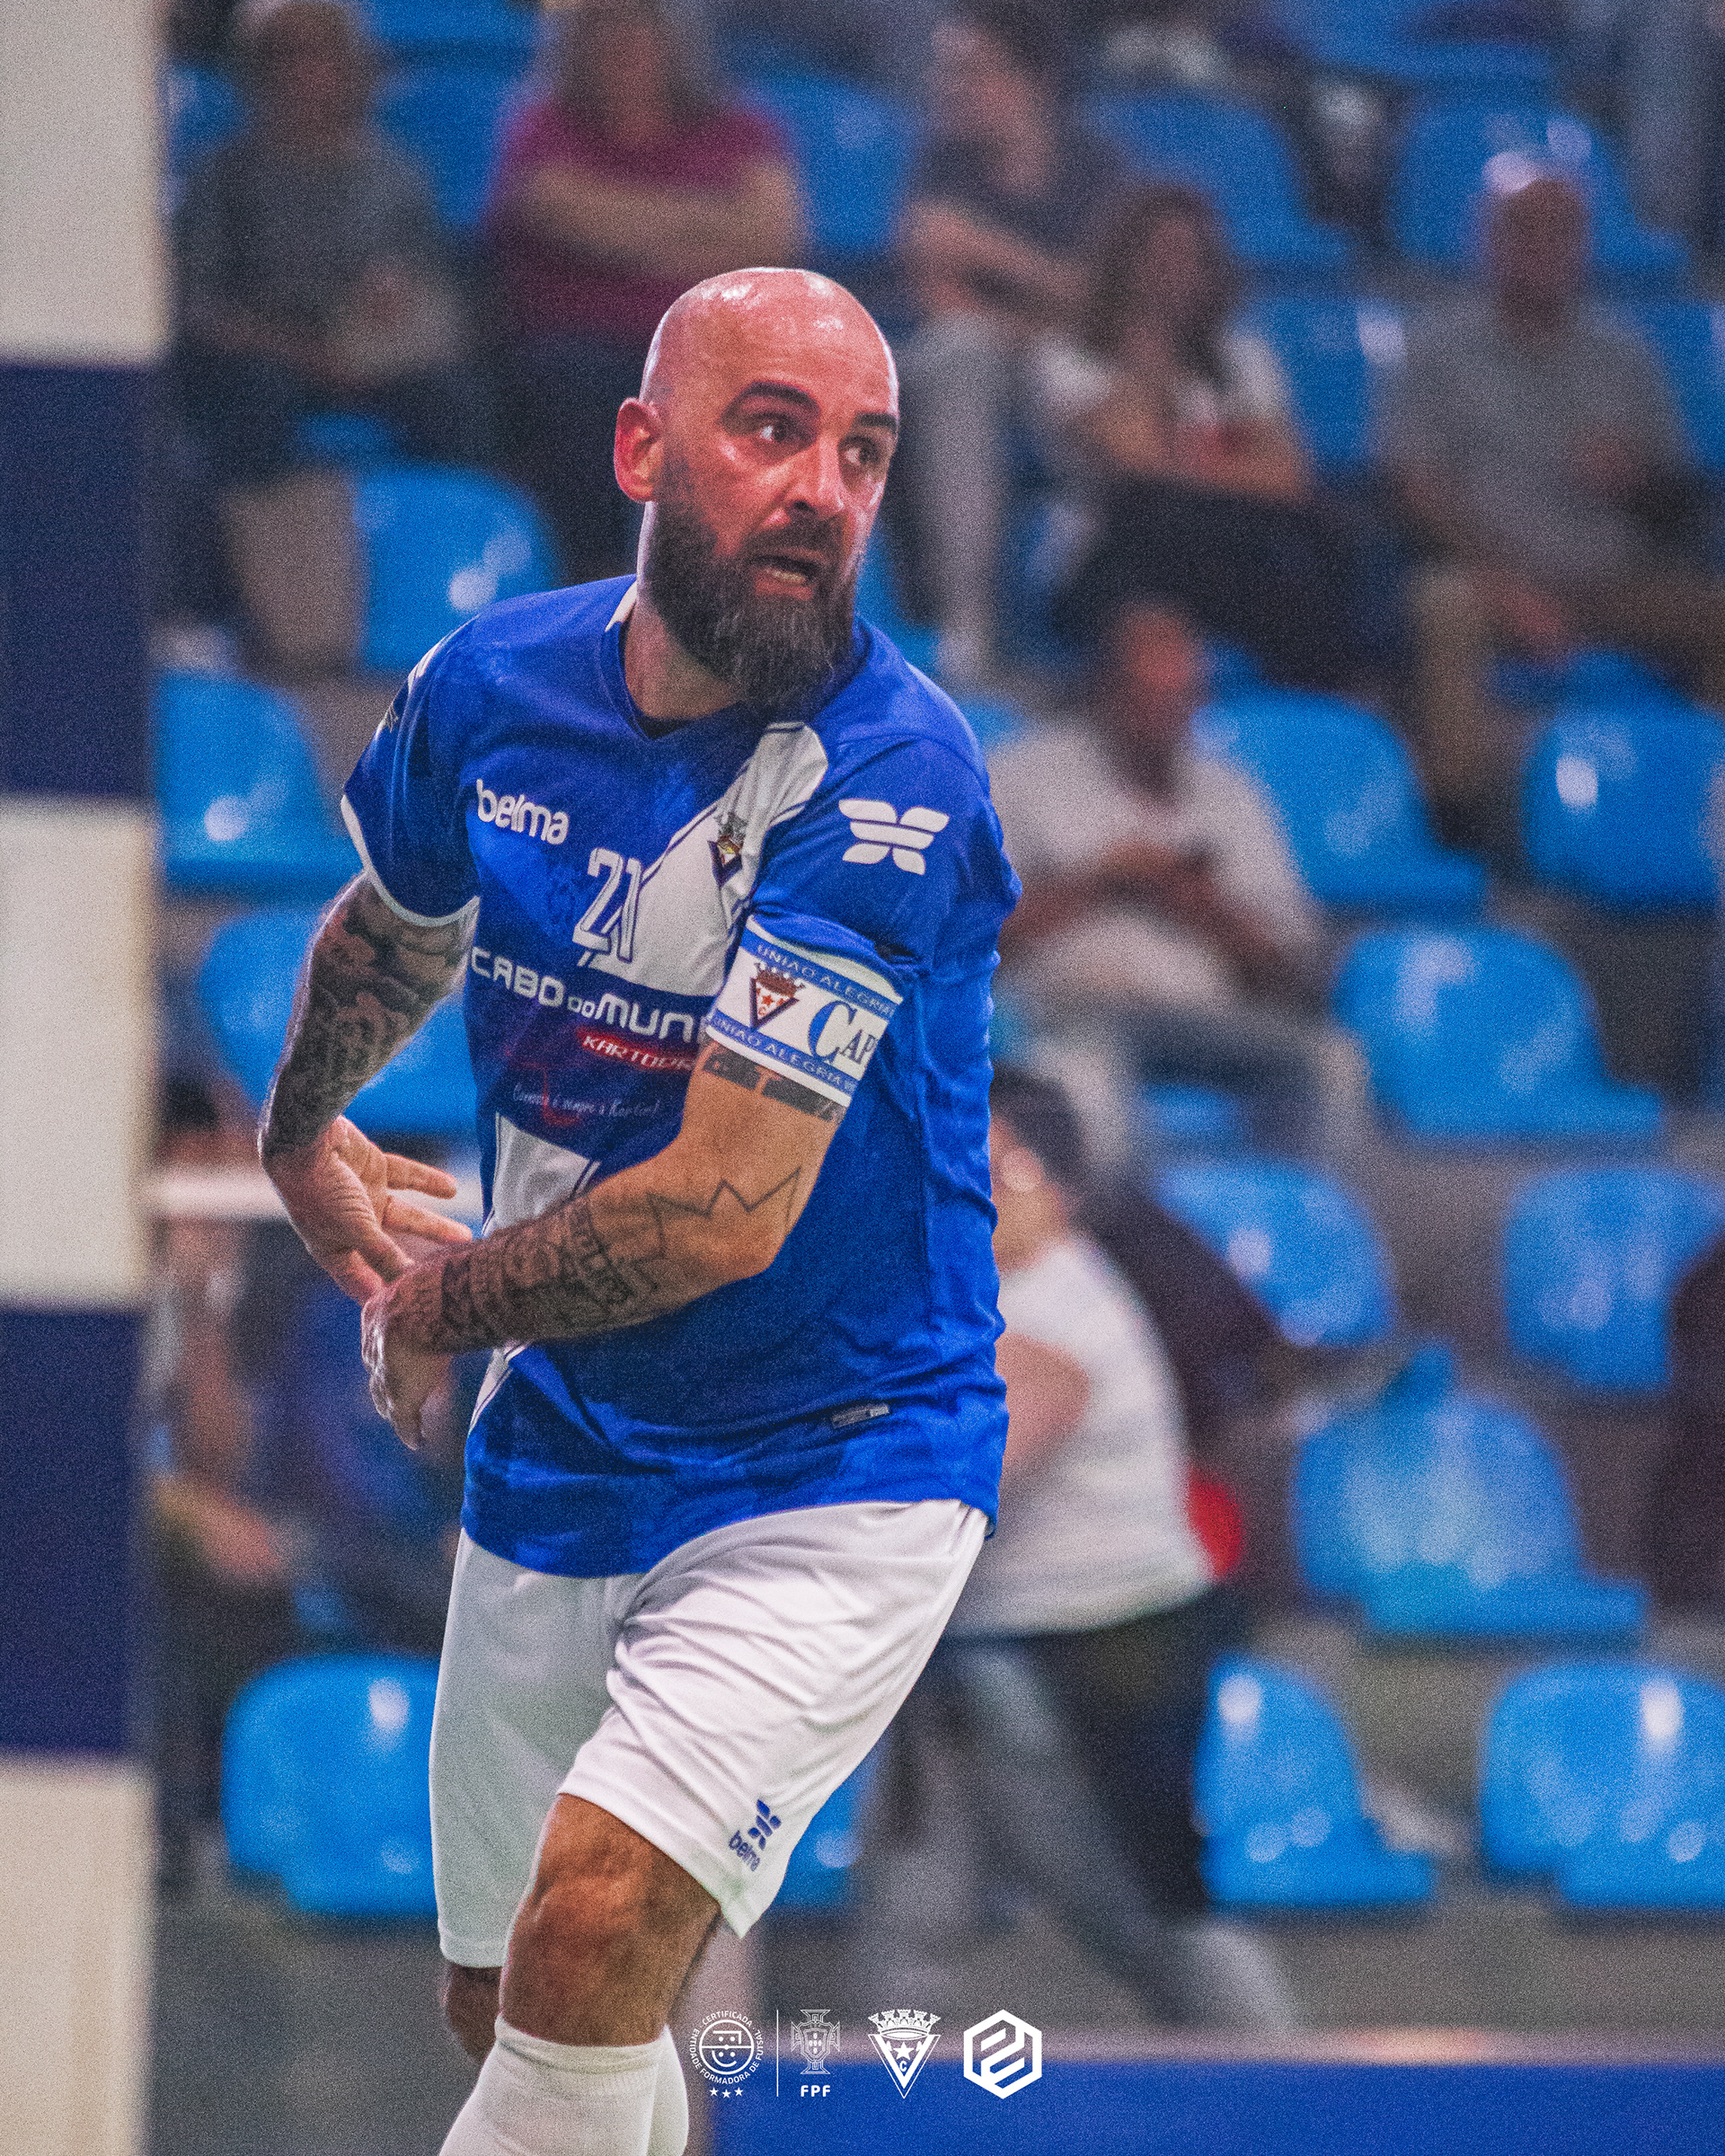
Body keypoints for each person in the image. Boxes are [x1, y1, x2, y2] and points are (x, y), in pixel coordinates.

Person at [256, 265, 1017, 2156]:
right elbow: (399, 925)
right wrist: (300, 1128)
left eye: (864, 453)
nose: (824, 489)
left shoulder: (894, 774)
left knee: (593, 1932)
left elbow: (717, 1212)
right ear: (641, 449)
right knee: (506, 1997)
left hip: (835, 1461)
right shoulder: (492, 687)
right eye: (772, 431)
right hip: (572, 1438)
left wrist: (438, 1303)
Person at [875, 1065, 1298, 2026]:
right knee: (914, 1910)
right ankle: (881, 2095)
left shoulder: (1045, 1314)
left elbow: (947, 1498)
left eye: (993, 1170)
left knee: (1147, 1914)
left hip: (1095, 1655)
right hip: (991, 1653)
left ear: (1049, 1184)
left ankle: (1282, 2084)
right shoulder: (993, 1295)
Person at [1377, 165, 1725, 825]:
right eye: (1524, 230)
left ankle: (1703, 805)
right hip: (1490, 575)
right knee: (1443, 604)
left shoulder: (1625, 357)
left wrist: (1635, 479)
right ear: (1489, 242)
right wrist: (1507, 587)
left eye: (1563, 232)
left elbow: (1679, 502)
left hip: (1614, 579)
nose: (1544, 247)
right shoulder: (1436, 353)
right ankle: (1463, 816)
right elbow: (1415, 491)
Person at [990, 596, 1358, 1155]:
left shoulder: (1230, 794)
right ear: (1106, 689)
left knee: (1333, 1061)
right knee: (1082, 1074)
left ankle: (1299, 1208)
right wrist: (1105, 883)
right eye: (1148, 696)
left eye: (1182, 698)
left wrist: (1201, 906)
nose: (1168, 715)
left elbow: (1293, 970)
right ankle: (1106, 1214)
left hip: (1211, 1014)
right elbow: (973, 934)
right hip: (1073, 1009)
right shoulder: (1024, 774)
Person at [486, 0, 802, 582]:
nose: (625, 40)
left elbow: (773, 238)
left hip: (715, 350)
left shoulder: (742, 129)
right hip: (580, 348)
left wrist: (626, 228)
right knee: (580, 389)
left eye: (640, 23)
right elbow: (562, 212)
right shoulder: (541, 127)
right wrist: (712, 227)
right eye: (606, 25)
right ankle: (595, 583)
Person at [1040, 180, 1389, 694]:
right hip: (1110, 557)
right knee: (1159, 510)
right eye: (1158, 254)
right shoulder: (1071, 356)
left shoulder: (1242, 358)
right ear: (1124, 262)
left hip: (1226, 553)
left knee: (1327, 539)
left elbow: (1288, 477)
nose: (1172, 272)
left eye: (1188, 256)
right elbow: (1136, 459)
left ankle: (1329, 710)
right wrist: (1220, 445)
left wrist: (1186, 458)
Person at [895, 0, 1123, 683]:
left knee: (1076, 373)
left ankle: (1094, 616)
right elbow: (940, 298)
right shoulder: (942, 163)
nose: (953, 87)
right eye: (947, 71)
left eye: (974, 70)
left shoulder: (1098, 169)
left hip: (1068, 364)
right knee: (959, 354)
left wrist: (988, 251)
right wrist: (1055, 299)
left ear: (1033, 80)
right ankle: (967, 628)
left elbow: (1114, 304)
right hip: (967, 365)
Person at [173, 0, 481, 496]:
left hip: (377, 355)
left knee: (460, 398)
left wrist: (401, 304)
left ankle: (462, 526)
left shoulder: (398, 175)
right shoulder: (221, 178)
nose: (302, 72)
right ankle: (265, 532)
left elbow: (440, 295)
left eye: (320, 54)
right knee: (249, 399)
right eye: (284, 55)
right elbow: (199, 309)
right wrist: (306, 353)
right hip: (265, 358)